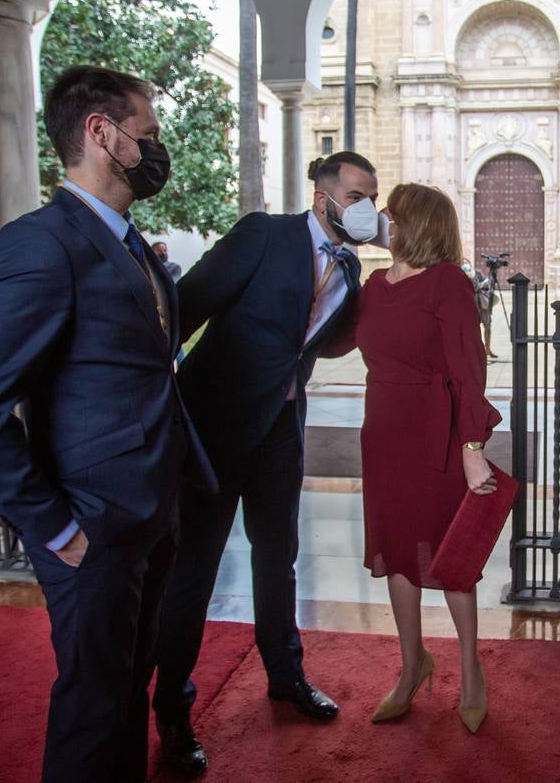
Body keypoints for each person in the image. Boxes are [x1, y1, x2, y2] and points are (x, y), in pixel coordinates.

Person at [0, 65, 215, 783]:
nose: (158, 151)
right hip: (90, 526)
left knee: (127, 692)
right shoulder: (41, 243)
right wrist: (53, 526)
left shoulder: (127, 242)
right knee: (93, 710)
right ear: (103, 133)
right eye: (148, 135)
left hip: (152, 510)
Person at [152, 151, 379, 775]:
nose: (367, 209)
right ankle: (172, 707)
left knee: (278, 560)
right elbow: (185, 306)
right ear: (324, 194)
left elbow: (314, 341)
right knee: (193, 571)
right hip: (215, 428)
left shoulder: (350, 266)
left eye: (372, 199)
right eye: (357, 195)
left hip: (281, 431)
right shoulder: (264, 233)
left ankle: (285, 676)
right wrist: (150, 401)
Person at [351, 184, 502, 734]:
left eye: (392, 210)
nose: (383, 217)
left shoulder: (449, 283)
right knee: (395, 550)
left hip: (437, 437)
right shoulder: (372, 285)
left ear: (417, 221)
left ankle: (469, 665)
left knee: (450, 554)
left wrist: (472, 449)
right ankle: (413, 665)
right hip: (384, 435)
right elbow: (338, 338)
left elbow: (469, 369)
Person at [461, 256, 497, 359]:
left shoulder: (477, 273)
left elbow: (487, 283)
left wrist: (483, 285)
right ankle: (475, 351)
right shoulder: (459, 275)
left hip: (483, 305)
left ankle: (488, 349)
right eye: (463, 263)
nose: (465, 264)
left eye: (466, 262)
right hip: (470, 306)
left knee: (488, 326)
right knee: (473, 329)